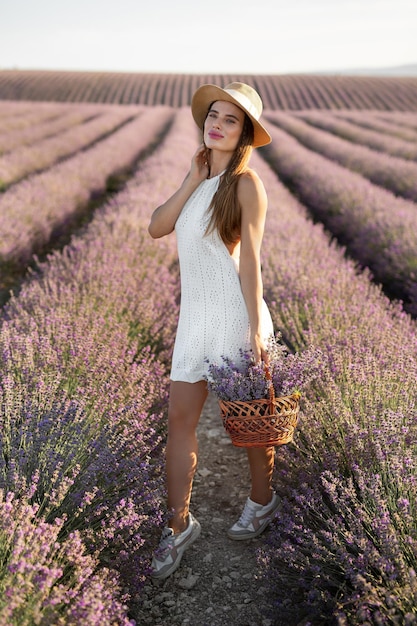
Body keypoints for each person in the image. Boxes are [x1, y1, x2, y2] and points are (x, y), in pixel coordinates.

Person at [148, 82, 279, 580]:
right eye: (213, 115)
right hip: (194, 320)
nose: (217, 124)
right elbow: (158, 226)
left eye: (230, 119)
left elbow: (251, 264)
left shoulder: (247, 184)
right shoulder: (200, 180)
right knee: (179, 421)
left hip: (231, 315)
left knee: (249, 425)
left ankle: (261, 502)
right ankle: (179, 525)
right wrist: (189, 177)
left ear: (244, 132)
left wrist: (253, 330)